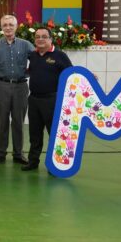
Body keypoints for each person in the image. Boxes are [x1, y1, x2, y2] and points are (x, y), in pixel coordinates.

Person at [22, 27, 72, 171]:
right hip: (34, 100)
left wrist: (87, 76)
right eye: (37, 37)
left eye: (44, 36)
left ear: (50, 39)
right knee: (35, 133)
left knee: (54, 133)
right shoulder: (33, 55)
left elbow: (71, 74)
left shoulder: (60, 55)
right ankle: (33, 161)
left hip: (52, 100)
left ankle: (54, 164)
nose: (40, 39)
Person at [0, 14, 33, 165]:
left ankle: (18, 153)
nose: (8, 28)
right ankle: (0, 153)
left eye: (10, 25)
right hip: (1, 86)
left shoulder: (26, 45)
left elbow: (38, 60)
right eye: (5, 25)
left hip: (21, 87)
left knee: (19, 121)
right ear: (1, 27)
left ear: (16, 27)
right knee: (2, 121)